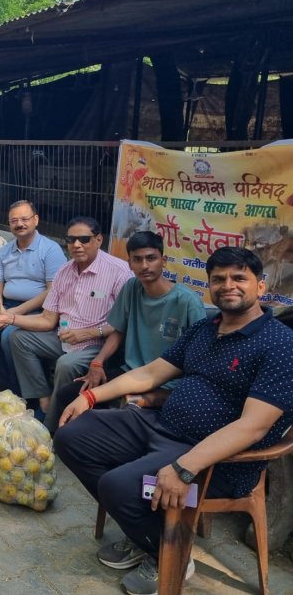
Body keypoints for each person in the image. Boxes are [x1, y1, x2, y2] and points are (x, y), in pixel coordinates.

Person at [55, 246, 293, 595]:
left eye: (239, 278)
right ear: (210, 286)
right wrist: (89, 397)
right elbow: (151, 373)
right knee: (71, 437)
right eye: (219, 279)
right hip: (161, 426)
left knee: (118, 486)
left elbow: (253, 426)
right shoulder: (205, 329)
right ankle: (148, 531)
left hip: (215, 460)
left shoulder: (280, 344)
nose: (228, 285)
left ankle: (168, 552)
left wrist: (184, 467)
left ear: (260, 285)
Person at [50, 230, 206, 424]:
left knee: (119, 417)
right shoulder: (132, 287)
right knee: (69, 395)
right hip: (129, 373)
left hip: (166, 384)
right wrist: (97, 363)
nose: (145, 266)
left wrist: (165, 394)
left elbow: (200, 358)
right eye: (137, 260)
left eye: (151, 258)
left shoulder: (187, 302)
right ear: (130, 264)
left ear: (163, 260)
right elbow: (118, 331)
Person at [7, 216, 132, 425]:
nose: (76, 245)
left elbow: (125, 323)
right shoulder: (64, 272)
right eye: (71, 240)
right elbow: (48, 319)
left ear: (99, 240)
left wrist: (90, 332)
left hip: (96, 344)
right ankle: (43, 399)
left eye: (84, 239)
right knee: (18, 338)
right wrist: (10, 318)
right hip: (63, 338)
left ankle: (52, 425)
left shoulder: (119, 272)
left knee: (66, 364)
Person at [0, 200, 66, 392]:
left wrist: (12, 315)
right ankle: (8, 386)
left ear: (36, 220)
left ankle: (22, 392)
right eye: (14, 220)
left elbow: (52, 291)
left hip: (38, 309)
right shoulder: (4, 251)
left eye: (24, 219)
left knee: (7, 336)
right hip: (7, 307)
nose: (19, 224)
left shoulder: (50, 249)